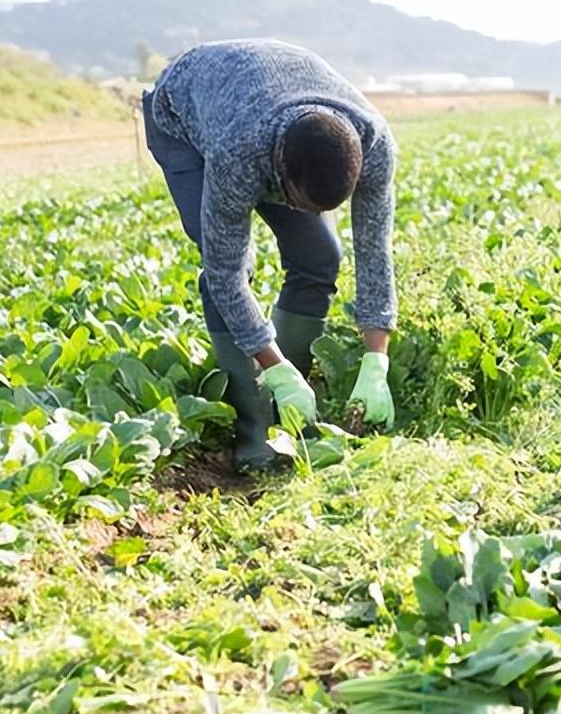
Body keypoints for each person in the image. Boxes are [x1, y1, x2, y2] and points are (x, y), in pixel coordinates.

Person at [142, 39, 398, 473]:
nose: (314, 215)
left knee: (319, 254)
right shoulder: (239, 154)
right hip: (182, 114)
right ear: (279, 174)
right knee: (228, 262)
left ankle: (293, 405)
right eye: (304, 203)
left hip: (271, 102)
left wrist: (377, 360)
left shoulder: (374, 147)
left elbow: (375, 255)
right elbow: (225, 274)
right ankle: (254, 427)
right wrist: (274, 371)